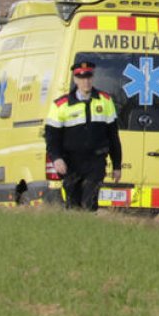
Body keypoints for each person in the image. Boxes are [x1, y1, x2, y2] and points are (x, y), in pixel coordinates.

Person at [45, 62, 123, 211]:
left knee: (89, 203)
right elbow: (51, 137)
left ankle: (89, 231)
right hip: (71, 163)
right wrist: (56, 158)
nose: (85, 82)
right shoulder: (61, 105)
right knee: (73, 205)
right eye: (81, 78)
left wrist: (117, 165)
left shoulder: (105, 100)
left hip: (95, 161)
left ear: (93, 78)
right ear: (75, 80)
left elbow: (113, 136)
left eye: (88, 77)